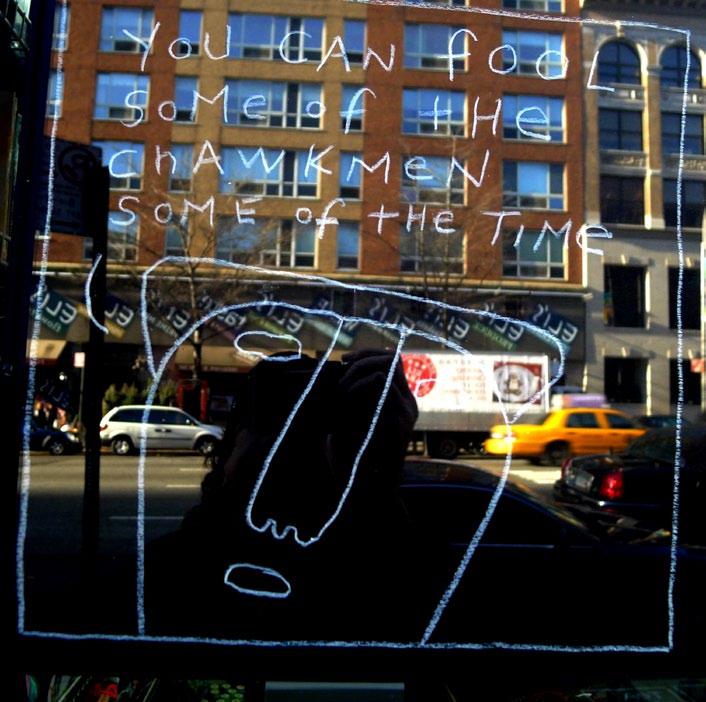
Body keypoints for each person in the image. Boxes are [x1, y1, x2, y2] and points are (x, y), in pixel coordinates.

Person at [143, 349, 421, 641]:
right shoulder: (365, 574)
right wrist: (377, 484)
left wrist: (376, 480)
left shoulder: (165, 573)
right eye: (271, 426)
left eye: (302, 429)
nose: (284, 449)